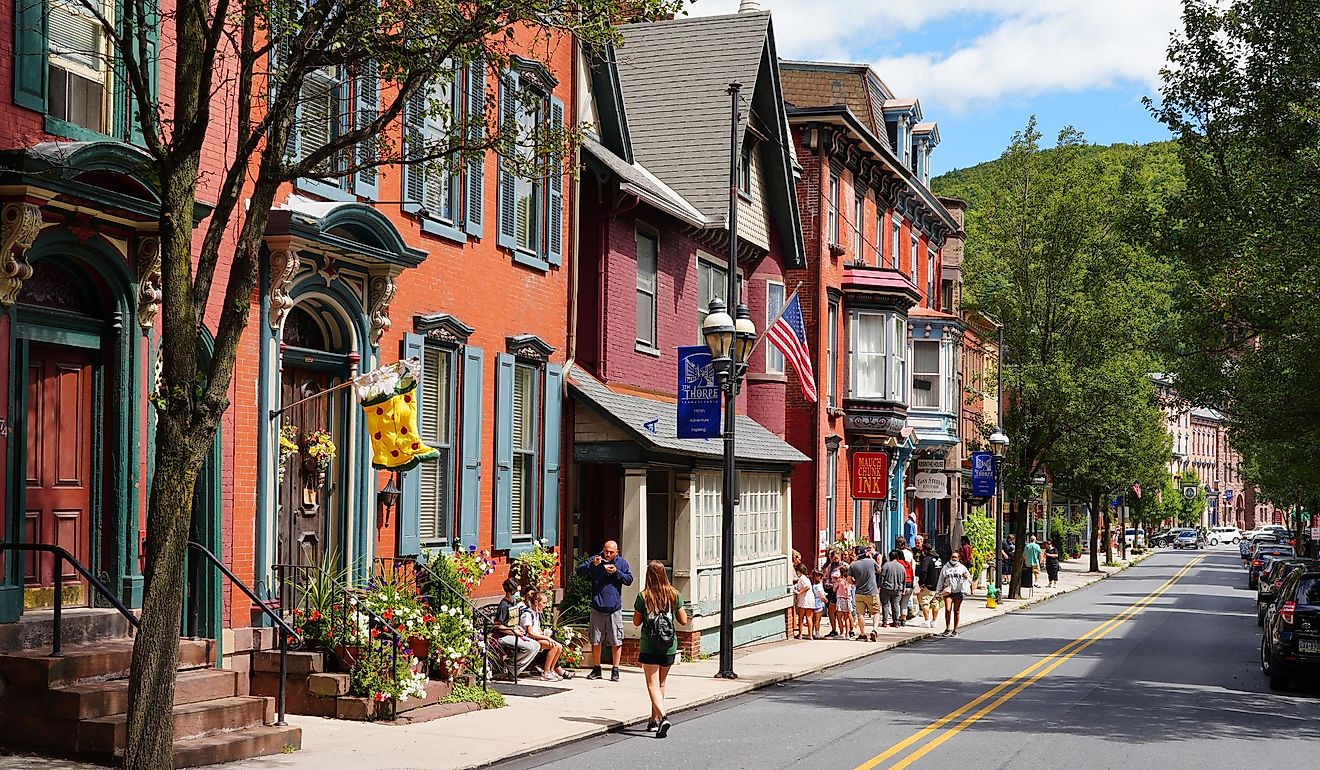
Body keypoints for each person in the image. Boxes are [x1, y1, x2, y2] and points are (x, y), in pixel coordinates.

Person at [633, 560, 688, 738]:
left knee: (651, 684)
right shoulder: (674, 594)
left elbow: (636, 621)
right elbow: (684, 620)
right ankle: (653, 720)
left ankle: (663, 717)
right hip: (668, 645)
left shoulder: (644, 596)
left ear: (648, 576)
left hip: (649, 644)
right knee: (661, 684)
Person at [576, 540, 634, 681]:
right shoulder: (596, 559)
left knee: (616, 640)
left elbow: (629, 580)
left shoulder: (622, 563)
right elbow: (579, 571)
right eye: (606, 551)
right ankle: (596, 669)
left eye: (611, 552)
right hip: (597, 607)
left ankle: (615, 669)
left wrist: (616, 573)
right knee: (595, 640)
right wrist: (592, 565)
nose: (607, 554)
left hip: (614, 608)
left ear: (617, 552)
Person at [519, 589, 573, 681]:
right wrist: (546, 637)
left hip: (535, 638)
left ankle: (551, 670)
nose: (545, 605)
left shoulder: (536, 613)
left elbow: (537, 629)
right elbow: (530, 632)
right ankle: (546, 672)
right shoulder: (527, 614)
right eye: (543, 603)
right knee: (554, 645)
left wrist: (544, 633)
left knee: (559, 646)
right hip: (529, 640)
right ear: (536, 602)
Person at [492, 578, 538, 678]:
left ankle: (514, 667)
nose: (518, 593)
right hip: (502, 636)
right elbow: (497, 625)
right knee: (529, 647)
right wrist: (513, 631)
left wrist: (518, 628)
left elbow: (512, 621)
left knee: (536, 645)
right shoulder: (503, 605)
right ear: (510, 591)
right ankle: (512, 666)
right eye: (516, 591)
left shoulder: (513, 603)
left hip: (513, 633)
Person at [936, 550, 972, 637]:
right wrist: (938, 591)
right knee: (948, 610)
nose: (954, 559)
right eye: (952, 557)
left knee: (956, 611)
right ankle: (947, 628)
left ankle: (955, 629)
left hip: (958, 591)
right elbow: (941, 580)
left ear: (958, 558)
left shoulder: (962, 568)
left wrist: (966, 577)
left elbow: (970, 580)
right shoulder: (945, 568)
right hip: (948, 591)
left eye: (955, 557)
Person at [849, 546, 881, 641]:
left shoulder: (853, 565)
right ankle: (874, 629)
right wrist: (871, 558)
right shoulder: (871, 562)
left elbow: (849, 579)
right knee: (876, 612)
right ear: (865, 553)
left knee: (860, 614)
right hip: (872, 592)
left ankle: (862, 634)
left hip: (859, 592)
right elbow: (879, 569)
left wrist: (856, 583)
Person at [917, 543, 942, 629]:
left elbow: (923, 571)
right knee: (935, 603)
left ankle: (927, 621)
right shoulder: (938, 559)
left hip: (928, 584)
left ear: (925, 550)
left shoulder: (926, 559)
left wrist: (921, 583)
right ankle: (934, 621)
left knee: (925, 602)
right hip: (937, 585)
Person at [879, 550, 906, 628]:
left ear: (890, 557)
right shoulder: (901, 566)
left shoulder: (886, 565)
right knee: (895, 605)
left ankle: (885, 621)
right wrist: (903, 589)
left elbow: (882, 577)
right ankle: (896, 622)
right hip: (898, 589)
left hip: (886, 588)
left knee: (885, 604)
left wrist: (879, 586)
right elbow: (904, 579)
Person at [821, 548, 841, 637]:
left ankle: (847, 630)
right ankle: (834, 629)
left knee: (843, 612)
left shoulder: (844, 566)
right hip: (832, 590)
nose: (836, 560)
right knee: (831, 611)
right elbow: (828, 576)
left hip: (841, 591)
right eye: (834, 558)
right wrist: (827, 583)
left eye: (837, 558)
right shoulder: (830, 566)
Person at [832, 564, 855, 638]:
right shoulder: (849, 581)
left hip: (840, 599)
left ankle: (841, 632)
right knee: (846, 617)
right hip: (848, 599)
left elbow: (834, 589)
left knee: (839, 617)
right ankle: (847, 634)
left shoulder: (839, 581)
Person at [792, 562, 813, 639]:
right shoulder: (806, 578)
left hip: (804, 600)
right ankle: (810, 635)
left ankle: (800, 634)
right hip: (810, 600)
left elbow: (807, 587)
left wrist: (798, 592)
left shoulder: (802, 578)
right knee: (809, 617)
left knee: (801, 617)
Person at [810, 570, 827, 639]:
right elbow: (821, 595)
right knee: (817, 619)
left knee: (814, 619)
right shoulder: (818, 586)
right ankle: (817, 633)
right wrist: (826, 600)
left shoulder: (813, 585)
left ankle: (812, 632)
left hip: (813, 603)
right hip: (818, 603)